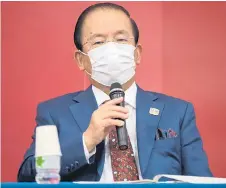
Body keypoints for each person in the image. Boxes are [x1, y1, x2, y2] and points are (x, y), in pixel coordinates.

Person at [18, 2, 212, 182]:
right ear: (80, 59)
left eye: (120, 39)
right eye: (98, 42)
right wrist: (87, 140)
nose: (111, 49)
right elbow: (28, 174)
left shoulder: (177, 112)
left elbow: (203, 182)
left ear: (137, 54)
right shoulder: (55, 113)